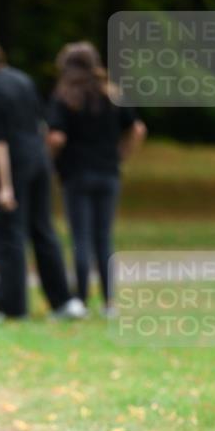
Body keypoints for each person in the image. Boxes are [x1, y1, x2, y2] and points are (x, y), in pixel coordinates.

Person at [0, 32, 83, 320]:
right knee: (43, 230)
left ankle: (13, 307)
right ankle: (64, 302)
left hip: (15, 164)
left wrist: (4, 186)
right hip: (39, 159)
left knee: (12, 234)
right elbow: (39, 125)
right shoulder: (21, 79)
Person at [47, 42, 147, 315]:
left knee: (81, 238)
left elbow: (57, 136)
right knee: (104, 238)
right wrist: (121, 155)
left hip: (76, 174)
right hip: (108, 173)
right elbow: (137, 128)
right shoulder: (112, 94)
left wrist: (52, 158)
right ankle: (109, 302)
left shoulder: (65, 97)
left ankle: (80, 299)